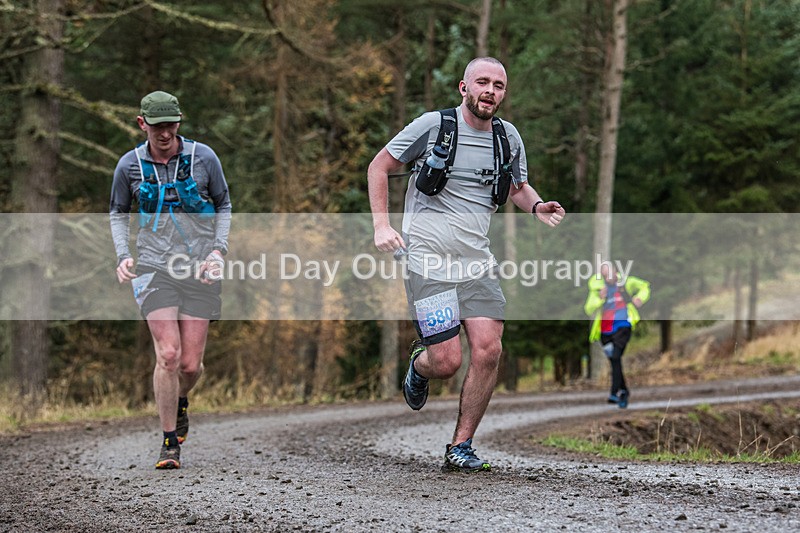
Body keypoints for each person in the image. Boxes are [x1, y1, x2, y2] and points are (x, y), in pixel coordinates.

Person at [367, 57, 566, 472]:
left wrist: (536, 206)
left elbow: (517, 186)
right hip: (428, 262)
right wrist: (382, 226)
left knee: (489, 349)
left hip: (477, 265)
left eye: (498, 85)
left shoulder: (508, 137)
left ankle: (461, 445)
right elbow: (379, 166)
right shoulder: (433, 126)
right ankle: (420, 366)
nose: (490, 91)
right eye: (482, 82)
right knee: (446, 362)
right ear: (464, 87)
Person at [109, 91, 232, 469]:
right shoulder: (129, 165)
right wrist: (123, 255)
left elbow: (224, 204)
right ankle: (169, 443)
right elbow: (118, 212)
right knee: (169, 355)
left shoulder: (203, 158)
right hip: (152, 268)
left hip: (199, 268)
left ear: (179, 122)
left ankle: (179, 400)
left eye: (171, 125)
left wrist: (218, 251)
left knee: (190, 366)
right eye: (157, 126)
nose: (165, 133)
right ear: (142, 123)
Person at [584, 264, 650, 409]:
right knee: (615, 361)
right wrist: (599, 298)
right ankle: (624, 391)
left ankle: (614, 392)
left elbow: (645, 286)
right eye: (605, 275)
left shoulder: (625, 283)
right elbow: (588, 308)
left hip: (623, 326)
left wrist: (640, 298)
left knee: (615, 357)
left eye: (610, 273)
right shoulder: (598, 289)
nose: (609, 277)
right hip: (605, 332)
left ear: (616, 272)